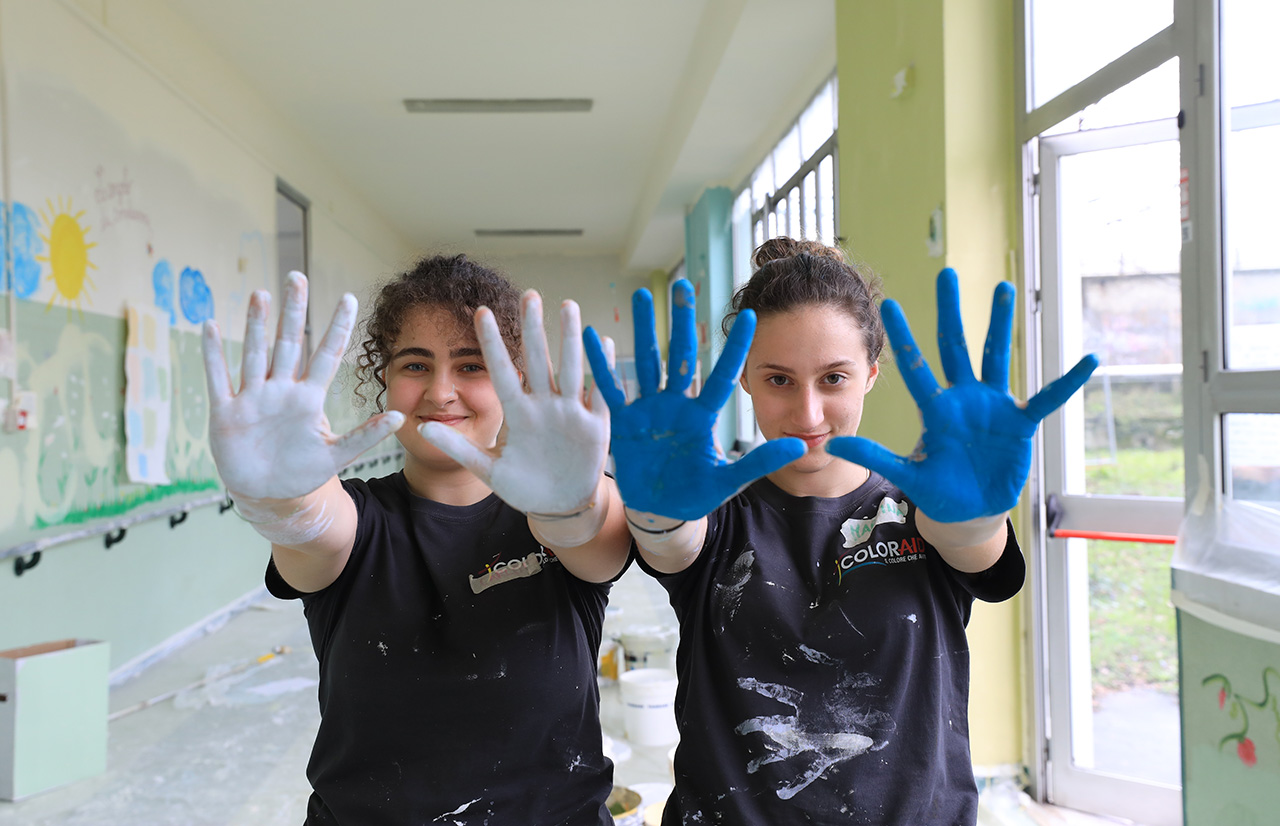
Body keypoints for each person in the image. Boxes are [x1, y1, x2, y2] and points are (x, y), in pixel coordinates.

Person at [583, 237, 1098, 825]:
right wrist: (656, 510)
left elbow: (972, 547)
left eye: (833, 378)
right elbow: (672, 542)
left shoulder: (924, 510)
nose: (807, 414)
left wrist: (974, 515)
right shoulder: (714, 513)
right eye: (779, 380)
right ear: (744, 378)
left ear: (872, 374)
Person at [201, 254, 632, 825]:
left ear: (514, 379)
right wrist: (282, 503)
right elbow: (313, 530)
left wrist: (571, 509)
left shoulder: (559, 504)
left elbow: (593, 542)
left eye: (472, 366)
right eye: (415, 365)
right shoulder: (355, 518)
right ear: (384, 376)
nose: (441, 392)